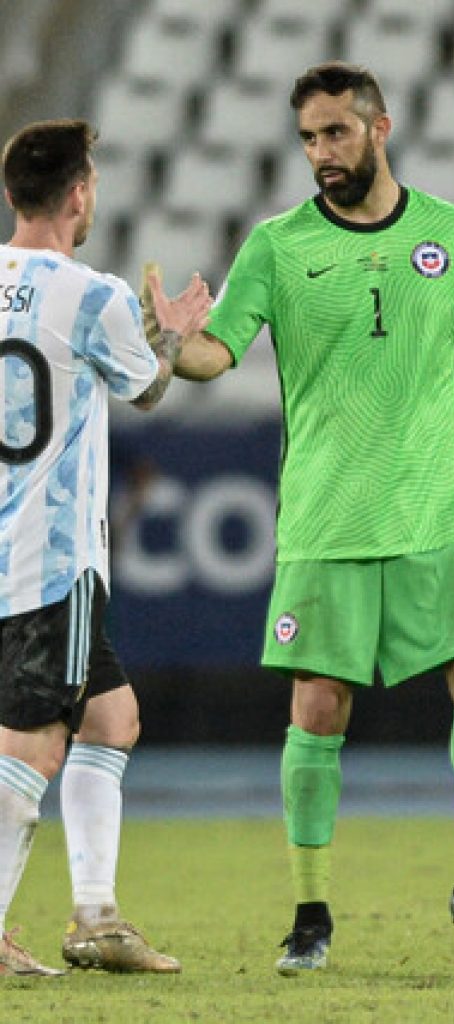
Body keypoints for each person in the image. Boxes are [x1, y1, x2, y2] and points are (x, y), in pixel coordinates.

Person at [172, 62, 454, 975]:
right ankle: (310, 913)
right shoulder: (277, 246)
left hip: (441, 508)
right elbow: (216, 354)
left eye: (335, 134)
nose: (320, 153)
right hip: (328, 518)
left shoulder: (453, 233)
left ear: (379, 128)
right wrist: (171, 341)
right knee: (317, 712)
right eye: (308, 138)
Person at [0, 119, 212, 975]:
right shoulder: (91, 292)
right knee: (33, 744)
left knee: (109, 716)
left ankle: (95, 917)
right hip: (51, 558)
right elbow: (150, 388)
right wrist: (165, 331)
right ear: (79, 193)